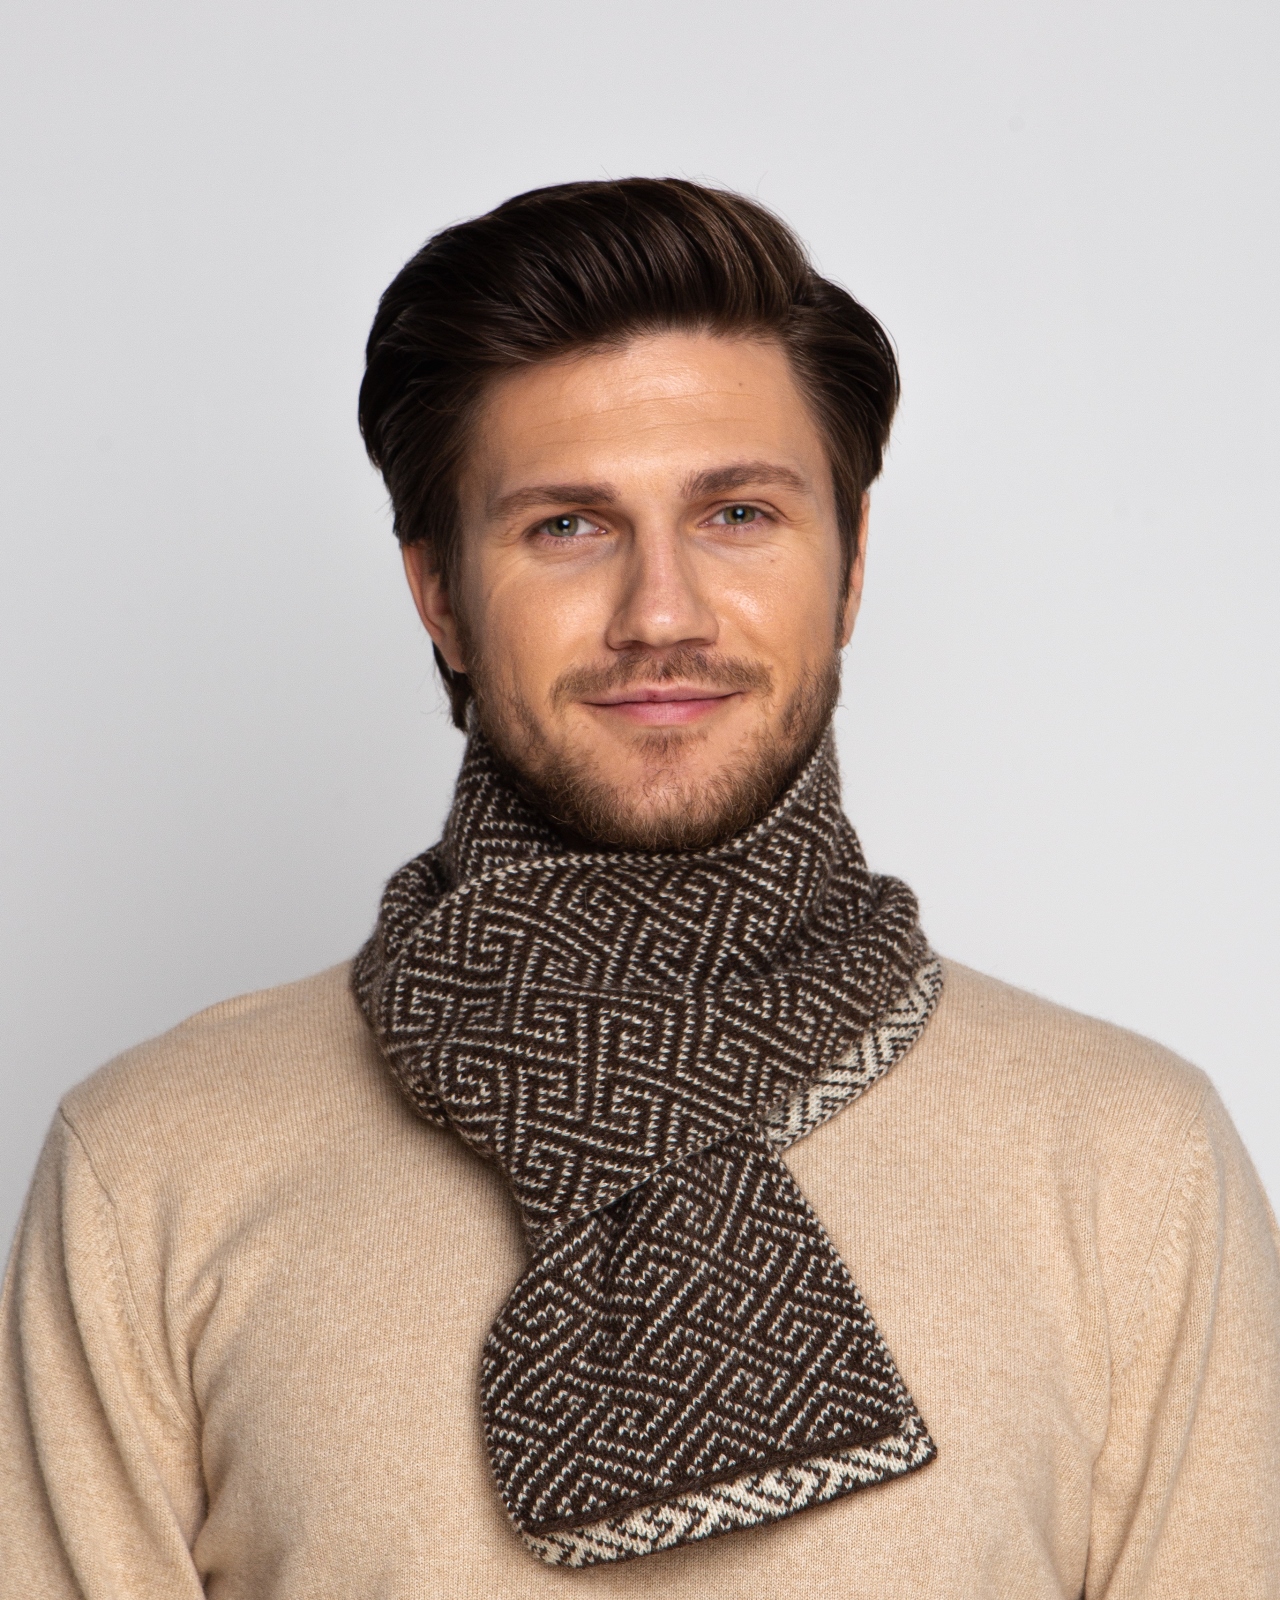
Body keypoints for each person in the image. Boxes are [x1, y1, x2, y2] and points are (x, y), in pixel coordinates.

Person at [2, 178, 1277, 1599]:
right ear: (440, 597)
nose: (660, 612)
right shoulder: (154, 1168)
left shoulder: (1132, 1166)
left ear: (851, 568)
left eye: (737, 512)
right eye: (567, 525)